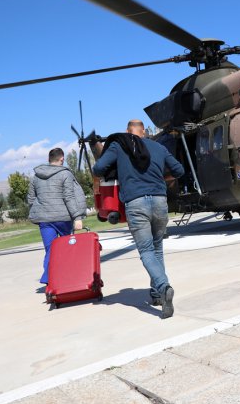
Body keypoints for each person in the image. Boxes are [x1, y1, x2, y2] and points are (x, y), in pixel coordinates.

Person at [93, 119, 184, 319]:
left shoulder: (119, 145)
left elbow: (98, 169)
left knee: (146, 251)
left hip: (136, 203)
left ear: (128, 132)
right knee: (157, 248)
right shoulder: (158, 147)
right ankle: (157, 294)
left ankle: (163, 286)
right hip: (160, 202)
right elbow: (179, 170)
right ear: (143, 132)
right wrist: (161, 178)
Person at [28, 147, 87, 285]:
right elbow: (69, 197)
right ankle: (67, 277)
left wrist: (38, 211)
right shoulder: (65, 174)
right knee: (67, 248)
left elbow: (30, 199)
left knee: (50, 250)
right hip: (63, 218)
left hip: (44, 220)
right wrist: (77, 217)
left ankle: (49, 279)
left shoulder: (36, 176)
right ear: (62, 159)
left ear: (49, 160)